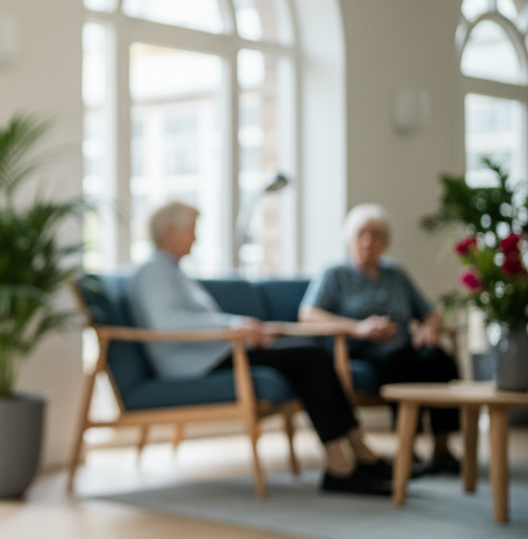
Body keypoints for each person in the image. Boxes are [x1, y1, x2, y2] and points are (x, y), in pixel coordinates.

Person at [127, 201, 392, 495]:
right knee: (310, 355)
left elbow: (196, 318)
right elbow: (167, 323)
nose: (196, 238)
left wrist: (239, 325)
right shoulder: (153, 271)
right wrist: (233, 329)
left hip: (214, 352)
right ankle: (344, 463)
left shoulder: (174, 272)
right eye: (191, 230)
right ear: (168, 231)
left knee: (309, 354)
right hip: (195, 362)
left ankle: (353, 455)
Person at [300, 203, 461, 475]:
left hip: (403, 343)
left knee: (439, 357)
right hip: (362, 348)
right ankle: (408, 446)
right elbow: (308, 314)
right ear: (349, 239)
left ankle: (442, 447)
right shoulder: (335, 274)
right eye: (362, 234)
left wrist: (428, 328)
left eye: (376, 235)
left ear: (385, 241)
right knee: (400, 360)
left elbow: (430, 312)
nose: (368, 241)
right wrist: (358, 328)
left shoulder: (395, 274)